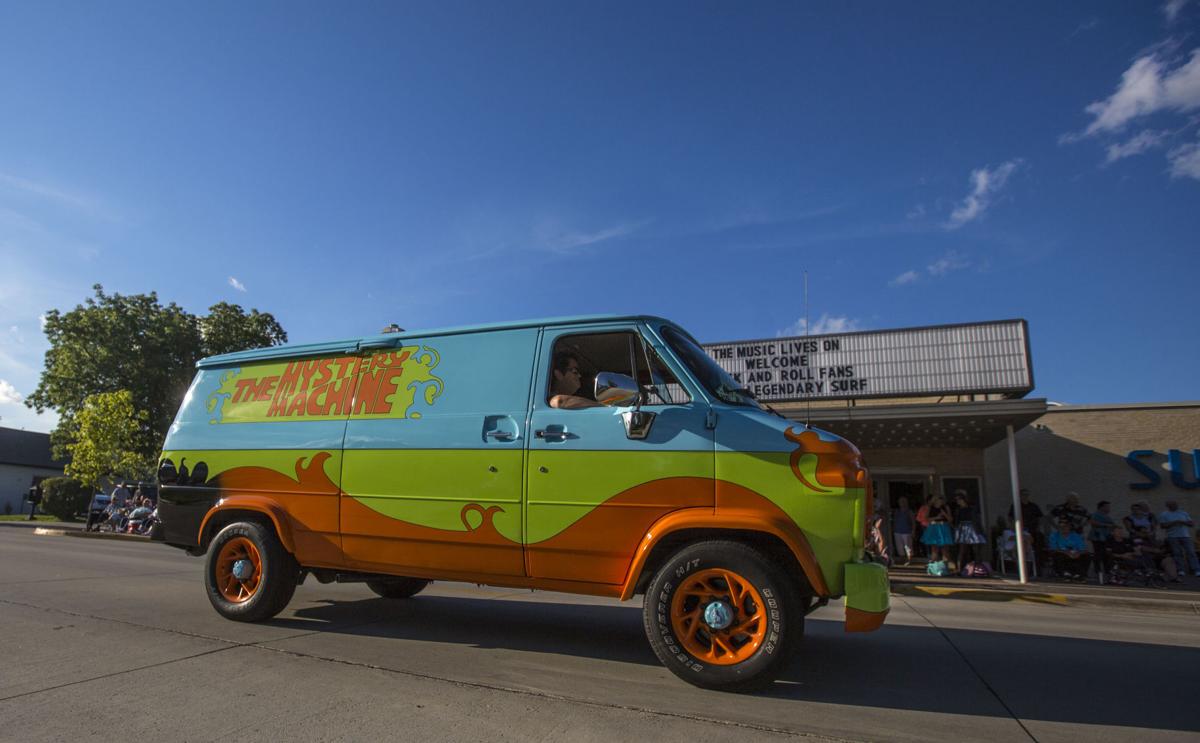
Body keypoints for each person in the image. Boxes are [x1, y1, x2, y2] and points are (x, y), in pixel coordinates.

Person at [1159, 500, 1200, 579]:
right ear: (1168, 506)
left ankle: (1196, 569)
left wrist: (1183, 522)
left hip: (1185, 536)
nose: (1175, 506)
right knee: (1177, 553)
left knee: (1191, 552)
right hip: (1173, 536)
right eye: (1172, 505)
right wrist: (1175, 522)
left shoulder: (1183, 513)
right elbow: (1163, 525)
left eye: (1175, 504)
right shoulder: (1164, 514)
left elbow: (1191, 524)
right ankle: (1181, 570)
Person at [1008, 488, 1045, 563]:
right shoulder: (1016, 506)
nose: (1025, 496)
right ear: (1020, 496)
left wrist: (1039, 527)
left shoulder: (1033, 506)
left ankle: (1037, 563)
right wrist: (1013, 526)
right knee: (1023, 543)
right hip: (1021, 530)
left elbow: (1040, 517)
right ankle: (1022, 561)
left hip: (1033, 529)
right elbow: (1010, 517)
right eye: (1023, 495)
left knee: (1038, 542)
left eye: (1027, 495)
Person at [952, 491, 986, 568]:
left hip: (972, 528)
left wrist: (980, 531)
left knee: (976, 549)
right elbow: (957, 521)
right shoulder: (958, 510)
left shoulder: (972, 508)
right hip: (963, 529)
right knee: (962, 550)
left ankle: (979, 568)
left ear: (964, 499)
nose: (958, 501)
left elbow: (977, 519)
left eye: (959, 499)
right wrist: (956, 530)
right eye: (956, 500)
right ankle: (959, 569)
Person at [920, 495, 954, 566]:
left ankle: (945, 565)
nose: (940, 501)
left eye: (941, 500)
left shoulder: (945, 507)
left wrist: (944, 514)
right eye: (938, 500)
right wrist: (937, 517)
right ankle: (933, 565)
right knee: (934, 547)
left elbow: (950, 519)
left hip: (943, 527)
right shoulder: (930, 508)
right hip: (934, 527)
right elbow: (926, 519)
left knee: (945, 548)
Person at [1089, 501, 1115, 577]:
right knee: (1098, 553)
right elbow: (1092, 522)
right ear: (1102, 507)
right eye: (1107, 506)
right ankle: (1097, 570)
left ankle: (1107, 570)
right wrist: (1106, 525)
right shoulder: (1096, 514)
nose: (1109, 508)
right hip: (1098, 537)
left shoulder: (1107, 516)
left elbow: (1112, 524)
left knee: (1106, 554)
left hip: (1106, 537)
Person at [892, 496, 915, 565]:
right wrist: (893, 529)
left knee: (908, 546)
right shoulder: (897, 511)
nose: (902, 503)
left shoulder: (909, 511)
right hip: (897, 531)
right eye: (900, 502)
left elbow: (913, 521)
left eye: (903, 501)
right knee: (899, 546)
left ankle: (909, 560)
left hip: (907, 531)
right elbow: (895, 520)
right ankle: (902, 559)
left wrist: (913, 530)